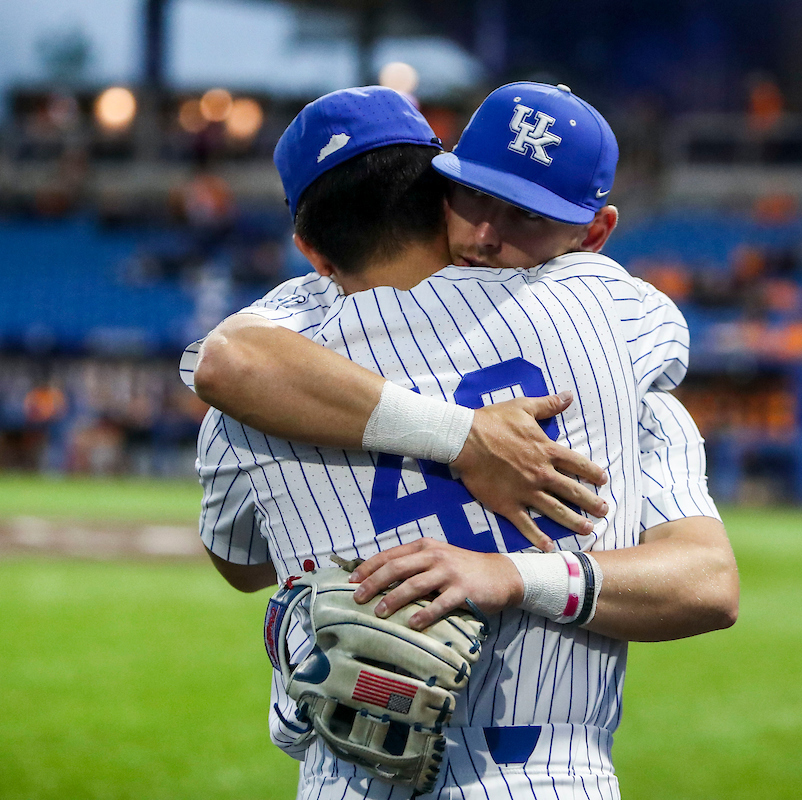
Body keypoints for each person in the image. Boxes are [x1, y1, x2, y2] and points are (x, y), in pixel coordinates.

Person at [191, 84, 737, 798]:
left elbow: (237, 541)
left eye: (525, 216)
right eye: (474, 199)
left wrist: (511, 575)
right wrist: (467, 438)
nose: (486, 234)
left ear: (308, 248)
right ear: (434, 189)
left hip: (344, 778)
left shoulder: (263, 377)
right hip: (552, 775)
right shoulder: (611, 313)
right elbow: (709, 582)